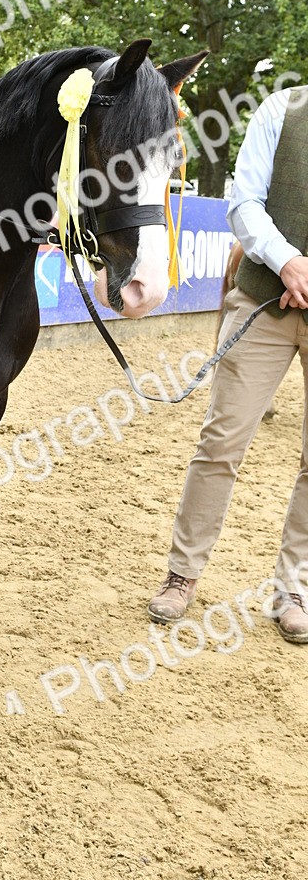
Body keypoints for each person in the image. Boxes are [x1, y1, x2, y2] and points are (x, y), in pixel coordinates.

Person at [148, 84, 308, 644]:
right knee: (221, 444)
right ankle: (183, 573)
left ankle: (294, 589)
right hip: (265, 299)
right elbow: (244, 202)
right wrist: (288, 263)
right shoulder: (282, 109)